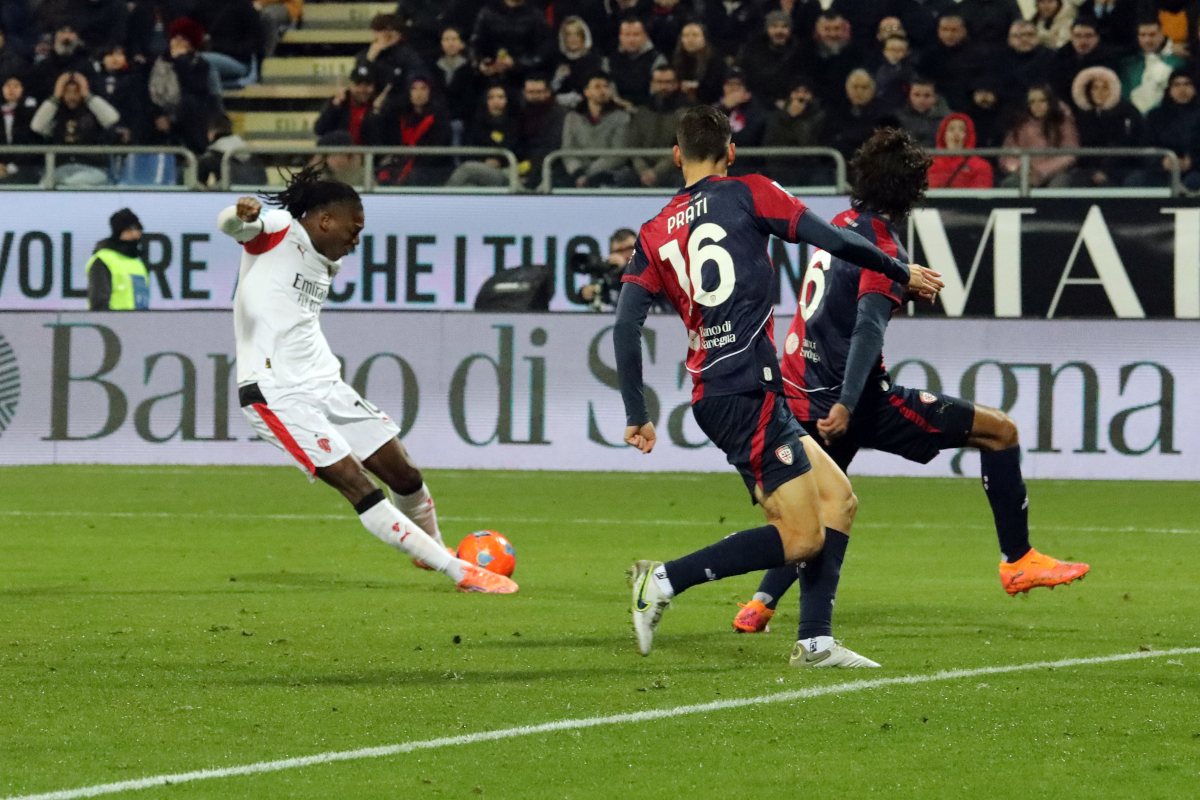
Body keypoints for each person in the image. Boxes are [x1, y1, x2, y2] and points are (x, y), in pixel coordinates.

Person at [615, 105, 944, 663]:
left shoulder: (651, 233)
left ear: (676, 156)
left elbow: (626, 324)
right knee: (802, 535)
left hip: (729, 389)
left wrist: (635, 411)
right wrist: (900, 271)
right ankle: (663, 581)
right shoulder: (749, 191)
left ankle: (814, 640)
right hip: (742, 390)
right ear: (731, 152)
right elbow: (833, 241)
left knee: (839, 500)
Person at [733, 128, 1088, 638]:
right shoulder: (882, 243)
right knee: (1000, 432)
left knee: (816, 506)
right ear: (913, 191)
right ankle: (1018, 560)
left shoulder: (841, 223)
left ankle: (761, 603)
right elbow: (867, 327)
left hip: (803, 391)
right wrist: (851, 404)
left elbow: (837, 304)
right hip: (853, 400)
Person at [216, 169, 518, 594]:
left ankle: (429, 547)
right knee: (359, 486)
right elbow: (234, 226)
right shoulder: (281, 230)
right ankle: (459, 571)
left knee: (406, 476)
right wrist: (239, 212)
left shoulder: (326, 259)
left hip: (325, 383)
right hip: (274, 392)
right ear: (324, 220)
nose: (356, 239)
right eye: (353, 229)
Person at [30, 71, 122, 186]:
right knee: (44, 185)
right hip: (60, 169)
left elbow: (112, 118)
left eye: (76, 91)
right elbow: (36, 126)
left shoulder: (94, 112)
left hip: (92, 169)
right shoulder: (55, 113)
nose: (71, 96)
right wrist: (55, 96)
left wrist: (88, 95)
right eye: (67, 92)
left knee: (75, 184)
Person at [366, 76, 453, 186]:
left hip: (430, 171)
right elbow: (379, 135)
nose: (419, 93)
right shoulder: (400, 115)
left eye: (423, 88)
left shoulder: (440, 118)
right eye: (414, 89)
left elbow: (435, 153)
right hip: (400, 165)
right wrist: (376, 110)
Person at [1129, 69, 1200, 190]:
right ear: (1169, 89)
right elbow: (1145, 147)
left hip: (1195, 171)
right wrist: (1162, 162)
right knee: (1136, 180)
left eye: (1187, 84)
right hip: (1161, 171)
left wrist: (1191, 162)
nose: (1182, 89)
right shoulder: (1155, 116)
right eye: (1176, 85)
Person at [1071, 65, 1141, 186]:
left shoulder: (1128, 112)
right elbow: (1082, 147)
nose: (1099, 92)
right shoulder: (1082, 116)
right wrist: (1093, 171)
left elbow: (1127, 143)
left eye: (1105, 88)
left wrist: (1106, 171)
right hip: (1088, 170)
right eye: (1095, 88)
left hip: (1122, 168)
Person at [1000, 83, 1079, 187]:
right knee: (1009, 183)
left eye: (1042, 100)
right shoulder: (1019, 125)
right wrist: (1022, 168)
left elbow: (1069, 154)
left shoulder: (1063, 123)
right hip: (1025, 174)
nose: (1037, 105)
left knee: (1059, 185)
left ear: (1050, 102)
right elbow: (1008, 154)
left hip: (1056, 173)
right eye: (1032, 102)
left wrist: (1042, 171)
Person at [620, 65, 685, 188]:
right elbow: (632, 145)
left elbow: (684, 147)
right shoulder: (642, 111)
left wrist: (656, 172)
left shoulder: (687, 112)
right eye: (659, 82)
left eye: (668, 82)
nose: (663, 87)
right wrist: (643, 170)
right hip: (642, 169)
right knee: (624, 177)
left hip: (674, 169)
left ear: (676, 84)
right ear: (653, 84)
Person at [559, 73, 629, 187]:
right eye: (597, 87)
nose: (603, 91)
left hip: (608, 171)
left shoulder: (622, 117)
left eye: (606, 86)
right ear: (587, 92)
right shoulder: (572, 117)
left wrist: (588, 175)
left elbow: (618, 153)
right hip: (578, 171)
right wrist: (577, 171)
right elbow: (567, 149)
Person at [446, 83, 519, 187]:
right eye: (491, 98)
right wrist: (483, 161)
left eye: (500, 97)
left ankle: (444, 196)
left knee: (467, 169)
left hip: (506, 172)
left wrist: (499, 161)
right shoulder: (475, 124)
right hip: (479, 169)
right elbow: (466, 151)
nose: (496, 102)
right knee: (469, 186)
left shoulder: (516, 125)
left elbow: (517, 150)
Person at [762, 80, 829, 187]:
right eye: (797, 91)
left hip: (810, 172)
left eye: (805, 92)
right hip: (782, 172)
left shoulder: (820, 117)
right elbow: (772, 146)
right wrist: (789, 117)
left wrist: (796, 118)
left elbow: (808, 144)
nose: (801, 96)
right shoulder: (776, 118)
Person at [470, 0, 553, 85]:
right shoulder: (488, 12)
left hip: (524, 77)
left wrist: (516, 63)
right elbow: (476, 43)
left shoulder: (536, 15)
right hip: (490, 75)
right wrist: (480, 62)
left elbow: (543, 51)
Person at [737, 10, 804, 108]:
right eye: (774, 26)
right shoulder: (754, 50)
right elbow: (750, 82)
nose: (779, 31)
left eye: (784, 26)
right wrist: (771, 102)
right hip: (759, 103)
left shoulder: (799, 52)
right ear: (767, 29)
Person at [87, 208, 150, 310]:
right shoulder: (104, 260)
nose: (136, 234)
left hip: (139, 323)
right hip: (115, 323)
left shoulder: (137, 263)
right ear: (119, 232)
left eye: (138, 229)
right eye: (130, 229)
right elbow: (99, 302)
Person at [193, 0, 264, 89]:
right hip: (208, 54)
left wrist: (218, 47)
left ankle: (215, 99)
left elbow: (255, 43)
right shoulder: (203, 5)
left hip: (238, 61)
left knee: (197, 60)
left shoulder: (244, 6)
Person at [1119, 18, 1184, 114]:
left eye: (1152, 34)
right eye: (1142, 35)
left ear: (1162, 33)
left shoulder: (1178, 60)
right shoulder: (1129, 64)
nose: (1147, 40)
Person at [354, 13, 424, 96]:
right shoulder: (364, 55)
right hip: (370, 99)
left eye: (389, 33)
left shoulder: (409, 54)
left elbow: (409, 79)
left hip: (400, 99)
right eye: (380, 31)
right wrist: (368, 60)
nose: (385, 36)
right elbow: (359, 79)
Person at [607, 18, 665, 108]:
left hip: (648, 111)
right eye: (626, 35)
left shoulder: (656, 59)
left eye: (636, 35)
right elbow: (608, 87)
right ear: (619, 37)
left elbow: (658, 91)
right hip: (616, 109)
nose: (631, 39)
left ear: (645, 36)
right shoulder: (611, 59)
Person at [197, 111, 267, 186]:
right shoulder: (248, 150)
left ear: (212, 132)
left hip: (230, 194)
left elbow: (199, 185)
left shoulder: (213, 155)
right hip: (257, 194)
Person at [825, 69, 883, 158]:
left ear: (873, 90)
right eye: (855, 87)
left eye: (864, 87)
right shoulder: (835, 113)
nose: (859, 92)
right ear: (847, 89)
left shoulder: (883, 114)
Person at [927, 112, 994, 187]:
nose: (956, 134)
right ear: (942, 135)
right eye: (951, 129)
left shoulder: (981, 166)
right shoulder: (928, 165)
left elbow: (980, 195)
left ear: (968, 135)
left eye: (962, 130)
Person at [313, 65, 376, 145]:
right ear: (350, 86)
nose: (362, 90)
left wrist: (378, 111)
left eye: (367, 85)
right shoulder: (339, 104)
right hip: (340, 153)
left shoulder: (378, 106)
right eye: (358, 84)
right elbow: (319, 130)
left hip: (368, 153)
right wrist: (335, 106)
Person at [551, 16, 604, 106]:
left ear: (584, 37)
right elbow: (551, 90)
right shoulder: (557, 60)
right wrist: (557, 80)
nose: (573, 39)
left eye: (577, 35)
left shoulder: (593, 60)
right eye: (569, 35)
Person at [433, 27, 477, 136]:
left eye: (454, 39)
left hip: (461, 119)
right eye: (446, 40)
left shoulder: (470, 69)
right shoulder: (434, 68)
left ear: (462, 44)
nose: (450, 43)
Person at [579, 227, 636, 308]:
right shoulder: (608, 273)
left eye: (630, 249)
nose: (626, 255)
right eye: (619, 251)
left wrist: (623, 268)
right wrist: (586, 293)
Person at [0, 74, 41, 184]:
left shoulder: (31, 114)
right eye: (8, 86)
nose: (11, 90)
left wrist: (12, 166)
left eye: (16, 86)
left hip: (25, 168)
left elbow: (34, 143)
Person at [670, 22, 723, 105]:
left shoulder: (715, 61)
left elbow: (715, 88)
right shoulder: (675, 59)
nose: (690, 39)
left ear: (705, 38)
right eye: (686, 36)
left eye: (695, 35)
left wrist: (696, 87)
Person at [893, 77, 949, 147]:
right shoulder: (897, 119)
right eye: (917, 95)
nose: (921, 100)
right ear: (909, 96)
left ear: (935, 97)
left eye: (927, 95)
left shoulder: (948, 119)